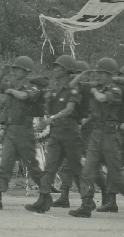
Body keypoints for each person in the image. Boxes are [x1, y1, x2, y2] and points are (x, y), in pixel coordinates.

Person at [75, 57, 124, 217]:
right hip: (96, 134)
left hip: (110, 135)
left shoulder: (115, 90)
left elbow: (103, 98)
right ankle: (86, 203)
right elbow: (73, 86)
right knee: (87, 171)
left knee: (115, 174)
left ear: (110, 75)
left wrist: (95, 90)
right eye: (97, 72)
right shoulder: (98, 87)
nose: (98, 76)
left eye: (102, 73)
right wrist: (84, 75)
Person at [0, 56, 45, 211]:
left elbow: (26, 96)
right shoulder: (13, 84)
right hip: (12, 130)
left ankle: (45, 195)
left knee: (33, 167)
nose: (15, 71)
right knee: (4, 164)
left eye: (18, 69)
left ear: (26, 71)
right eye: (14, 68)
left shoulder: (32, 85)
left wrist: (11, 90)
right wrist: (3, 73)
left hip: (25, 131)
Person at [26, 55, 82, 213]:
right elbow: (48, 108)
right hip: (57, 132)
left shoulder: (73, 88)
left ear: (65, 70)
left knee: (77, 169)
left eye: (58, 67)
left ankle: (87, 201)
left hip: (70, 131)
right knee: (49, 168)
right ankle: (43, 199)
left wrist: (51, 119)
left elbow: (70, 109)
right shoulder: (54, 89)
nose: (54, 69)